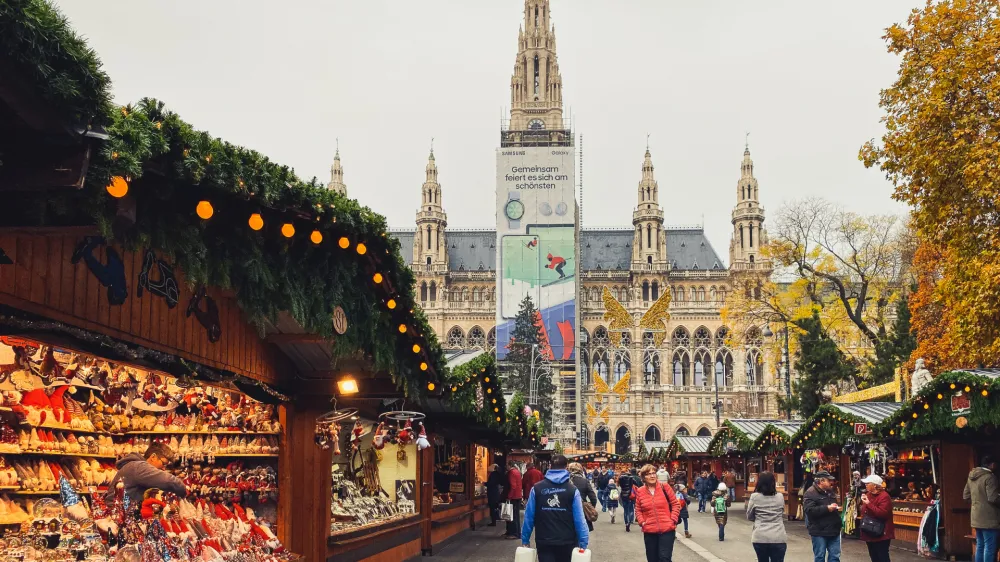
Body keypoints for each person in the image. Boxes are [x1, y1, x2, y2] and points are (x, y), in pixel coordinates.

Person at [521, 455, 589, 562]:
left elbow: (529, 516)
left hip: (544, 540)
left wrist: (525, 539)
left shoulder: (536, 489)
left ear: (550, 466)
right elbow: (579, 519)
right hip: (567, 541)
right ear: (566, 467)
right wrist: (583, 542)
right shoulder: (572, 490)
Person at [107, 442, 186, 507]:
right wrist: (184, 489)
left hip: (119, 512)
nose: (164, 468)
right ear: (153, 457)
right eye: (163, 463)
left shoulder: (134, 465)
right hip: (117, 515)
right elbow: (169, 481)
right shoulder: (139, 466)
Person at [634, 464, 682, 562]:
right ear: (643, 477)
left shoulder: (665, 487)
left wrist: (672, 520)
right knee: (652, 559)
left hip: (667, 529)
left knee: (664, 558)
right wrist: (642, 522)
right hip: (649, 530)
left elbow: (675, 504)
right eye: (648, 474)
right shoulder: (640, 491)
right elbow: (638, 509)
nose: (652, 476)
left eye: (653, 473)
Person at [964, 454, 1000, 562]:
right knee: (990, 547)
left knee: (980, 545)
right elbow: (993, 498)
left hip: (976, 517)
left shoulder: (972, 476)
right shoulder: (990, 477)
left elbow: (966, 496)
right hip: (990, 518)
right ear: (992, 464)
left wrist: (977, 504)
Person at [747, 471, 787, 562]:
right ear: (773, 483)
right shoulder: (780, 497)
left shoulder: (754, 497)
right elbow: (782, 511)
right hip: (778, 536)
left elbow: (749, 516)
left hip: (760, 536)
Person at [804, 471, 842, 562]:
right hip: (819, 530)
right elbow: (809, 510)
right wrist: (827, 508)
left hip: (834, 529)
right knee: (820, 557)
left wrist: (834, 507)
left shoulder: (830, 491)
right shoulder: (810, 493)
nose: (831, 482)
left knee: (835, 557)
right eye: (829, 480)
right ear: (821, 481)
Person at [859, 474, 895, 562]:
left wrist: (868, 504)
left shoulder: (884, 496)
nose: (866, 485)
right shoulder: (868, 494)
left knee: (882, 556)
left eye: (868, 483)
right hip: (869, 530)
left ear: (875, 485)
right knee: (874, 556)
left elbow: (883, 514)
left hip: (881, 532)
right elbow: (865, 511)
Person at [569, 462, 598, 532]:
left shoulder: (565, 481)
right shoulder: (584, 481)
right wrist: (589, 507)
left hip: (568, 510)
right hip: (581, 510)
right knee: (582, 531)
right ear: (581, 470)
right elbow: (593, 498)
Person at [504, 460, 523, 539]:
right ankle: (516, 532)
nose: (506, 467)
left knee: (512, 516)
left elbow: (513, 486)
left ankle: (514, 533)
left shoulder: (511, 473)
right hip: (518, 496)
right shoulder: (517, 471)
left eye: (507, 465)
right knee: (516, 516)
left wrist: (509, 496)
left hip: (513, 497)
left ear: (509, 465)